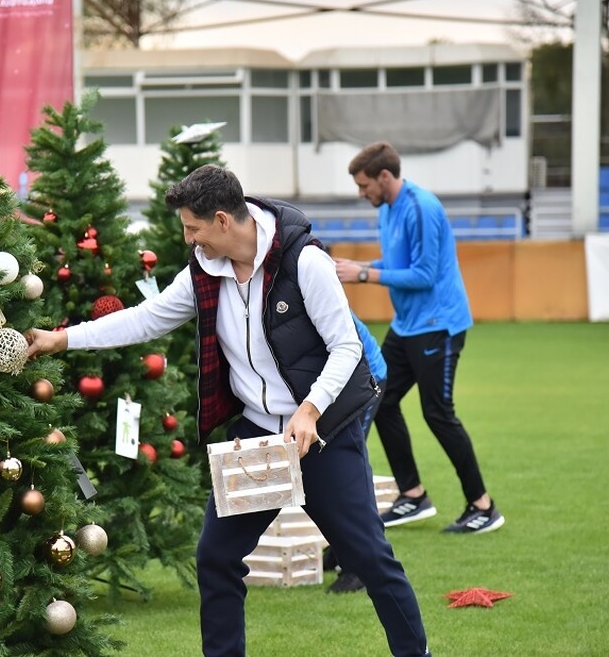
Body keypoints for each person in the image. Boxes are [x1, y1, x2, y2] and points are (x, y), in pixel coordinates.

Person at [24, 165, 430, 657]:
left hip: (321, 434)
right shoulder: (203, 268)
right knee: (216, 557)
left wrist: (309, 410)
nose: (189, 239)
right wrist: (64, 338)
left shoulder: (305, 262)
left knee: (369, 557)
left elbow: (346, 348)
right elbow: (148, 319)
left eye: (193, 228)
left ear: (222, 220)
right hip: (256, 438)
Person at [334, 141, 504, 535]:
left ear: (385, 177)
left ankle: (483, 506)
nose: (362, 194)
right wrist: (359, 266)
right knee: (382, 396)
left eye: (364, 186)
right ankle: (412, 495)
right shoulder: (389, 209)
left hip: (438, 325)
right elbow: (396, 266)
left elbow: (423, 274)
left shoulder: (422, 208)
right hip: (408, 324)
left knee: (437, 413)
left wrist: (362, 275)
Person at [325, 310, 387, 594]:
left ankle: (359, 566)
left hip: (362, 380)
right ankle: (341, 549)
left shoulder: (308, 283)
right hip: (331, 387)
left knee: (347, 472)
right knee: (327, 471)